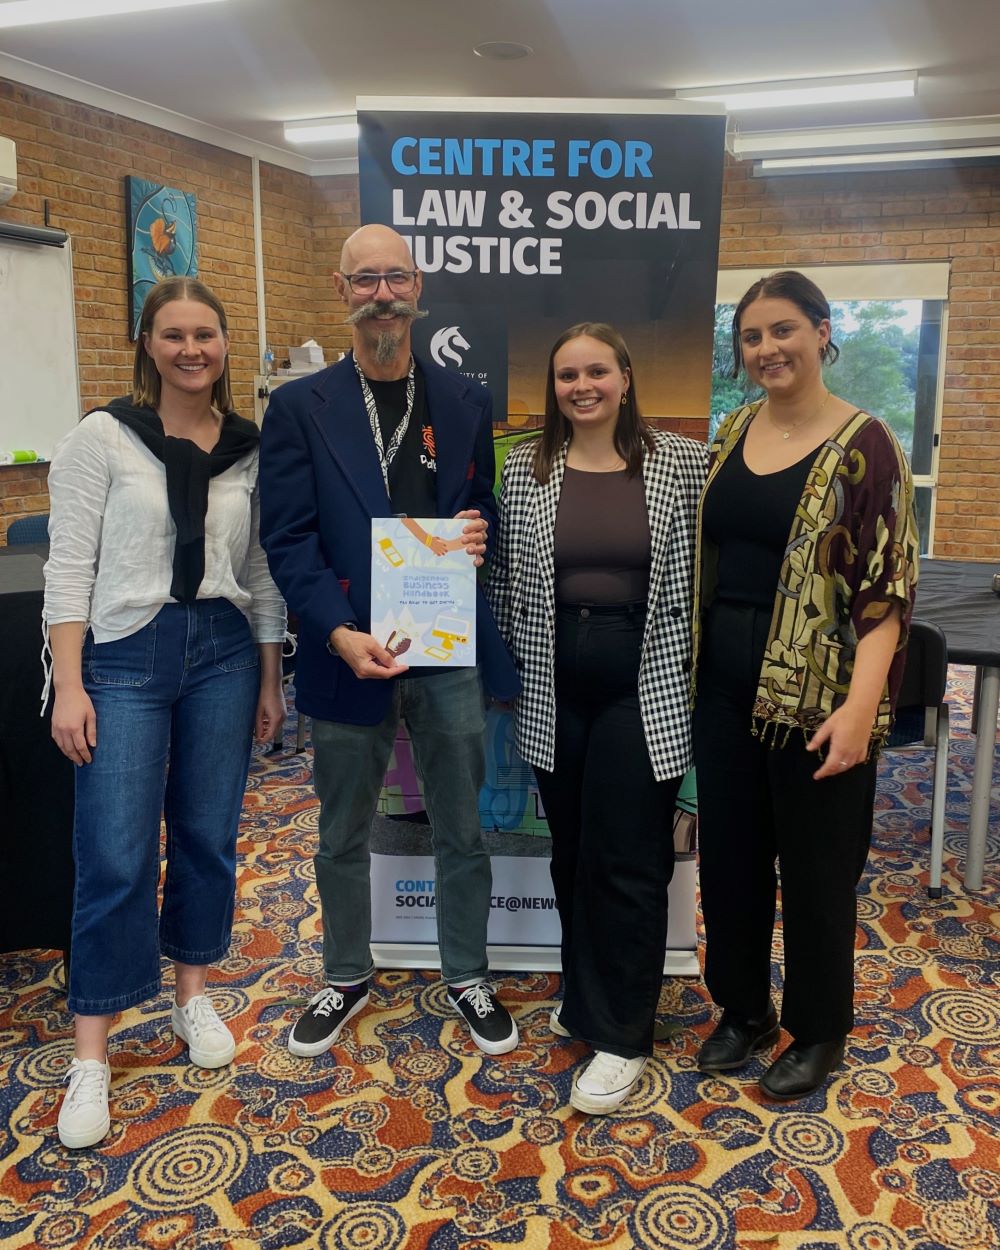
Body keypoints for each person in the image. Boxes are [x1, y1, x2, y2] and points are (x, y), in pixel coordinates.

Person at [258, 224, 521, 1060]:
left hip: (446, 648)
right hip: (346, 649)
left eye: (395, 278)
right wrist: (337, 632)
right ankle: (344, 973)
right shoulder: (298, 407)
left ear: (418, 287)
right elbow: (287, 538)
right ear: (342, 291)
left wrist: (477, 531)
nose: (382, 294)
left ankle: (467, 972)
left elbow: (480, 502)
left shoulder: (465, 399)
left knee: (461, 828)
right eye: (365, 279)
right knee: (342, 831)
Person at [43, 277, 287, 1149]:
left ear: (224, 344)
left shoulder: (248, 449)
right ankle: (92, 1053)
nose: (192, 349)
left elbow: (258, 570)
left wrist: (270, 676)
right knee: (114, 852)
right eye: (174, 334)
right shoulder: (102, 438)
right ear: (147, 343)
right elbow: (68, 568)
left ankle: (192, 996)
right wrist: (69, 684)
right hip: (123, 656)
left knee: (206, 836)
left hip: (223, 650)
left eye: (205, 334)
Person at [692, 270, 919, 1100]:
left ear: (823, 331)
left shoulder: (869, 445)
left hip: (821, 698)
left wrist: (860, 711)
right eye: (751, 336)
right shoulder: (732, 430)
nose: (766, 349)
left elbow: (888, 592)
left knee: (819, 871)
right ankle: (743, 1008)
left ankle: (820, 1028)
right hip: (723, 685)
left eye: (783, 329)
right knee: (732, 859)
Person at [486, 323, 706, 1114]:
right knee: (572, 854)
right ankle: (587, 996)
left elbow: (707, 572)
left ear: (625, 377)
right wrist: (501, 669)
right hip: (550, 691)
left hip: (643, 690)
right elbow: (504, 576)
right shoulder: (527, 468)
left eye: (596, 372)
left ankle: (622, 1036)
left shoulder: (682, 462)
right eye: (568, 375)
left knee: (629, 861)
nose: (582, 386)